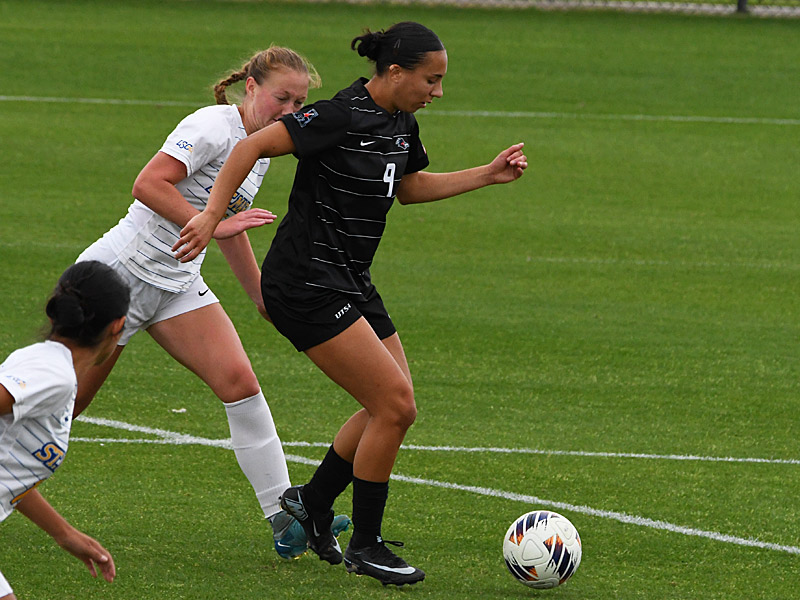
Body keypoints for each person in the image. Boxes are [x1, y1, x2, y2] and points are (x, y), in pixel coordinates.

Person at [174, 22, 528, 586]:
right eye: (430, 80)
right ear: (394, 72)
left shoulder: (400, 121)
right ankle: (365, 545)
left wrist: (486, 175)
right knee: (393, 405)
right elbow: (252, 145)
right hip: (304, 282)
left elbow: (407, 186)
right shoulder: (339, 115)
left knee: (391, 404)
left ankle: (313, 503)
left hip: (349, 280)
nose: (437, 92)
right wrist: (213, 216)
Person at [72, 46, 348, 560]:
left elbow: (228, 224)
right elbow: (149, 183)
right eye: (281, 99)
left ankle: (283, 521)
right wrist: (214, 223)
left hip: (176, 284)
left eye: (300, 102)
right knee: (66, 402)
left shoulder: (262, 148)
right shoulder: (212, 127)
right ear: (251, 88)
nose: (290, 112)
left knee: (240, 385)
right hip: (118, 277)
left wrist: (260, 294)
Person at [1, 261, 130, 600]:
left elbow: (7, 469)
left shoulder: (50, 369)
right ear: (118, 326)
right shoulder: (52, 374)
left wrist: (64, 533)